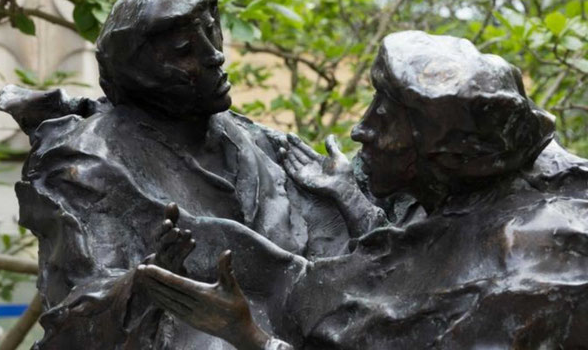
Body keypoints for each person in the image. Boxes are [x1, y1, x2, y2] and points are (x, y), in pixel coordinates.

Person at [0, 0, 385, 349]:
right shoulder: (87, 164)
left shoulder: (265, 145)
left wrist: (349, 198)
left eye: (212, 30)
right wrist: (147, 280)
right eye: (185, 50)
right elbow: (74, 320)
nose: (214, 54)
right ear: (137, 72)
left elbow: (367, 274)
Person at [139, 31, 588, 349]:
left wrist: (249, 336)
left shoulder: (528, 276)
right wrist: (349, 196)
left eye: (386, 118)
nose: (360, 130)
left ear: (445, 154)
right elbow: (421, 253)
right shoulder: (469, 193)